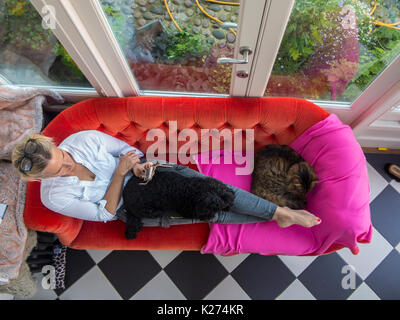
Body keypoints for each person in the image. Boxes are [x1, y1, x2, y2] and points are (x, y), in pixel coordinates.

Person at [12, 130, 322, 229]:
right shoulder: (53, 197)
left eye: (63, 156)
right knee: (205, 211)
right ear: (41, 178)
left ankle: (280, 214)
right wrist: (119, 175)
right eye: (61, 170)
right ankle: (273, 217)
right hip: (129, 208)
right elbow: (103, 214)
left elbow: (127, 150)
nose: (69, 162)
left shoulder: (80, 140)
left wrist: (134, 165)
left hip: (146, 174)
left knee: (211, 189)